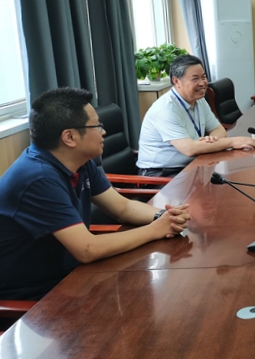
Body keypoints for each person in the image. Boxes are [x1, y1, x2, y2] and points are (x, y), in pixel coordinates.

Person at [0, 88, 191, 300]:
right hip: (35, 296)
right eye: (97, 126)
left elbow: (123, 208)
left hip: (72, 276)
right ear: (69, 137)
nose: (104, 132)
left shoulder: (80, 163)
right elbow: (87, 249)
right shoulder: (38, 178)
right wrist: (155, 230)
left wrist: (165, 217)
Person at [137, 55, 255, 176]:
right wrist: (232, 142)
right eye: (195, 79)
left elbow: (219, 130)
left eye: (203, 77)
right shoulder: (166, 110)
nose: (202, 83)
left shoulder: (199, 100)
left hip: (194, 163)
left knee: (236, 175)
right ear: (176, 81)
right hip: (161, 173)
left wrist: (209, 141)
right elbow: (189, 149)